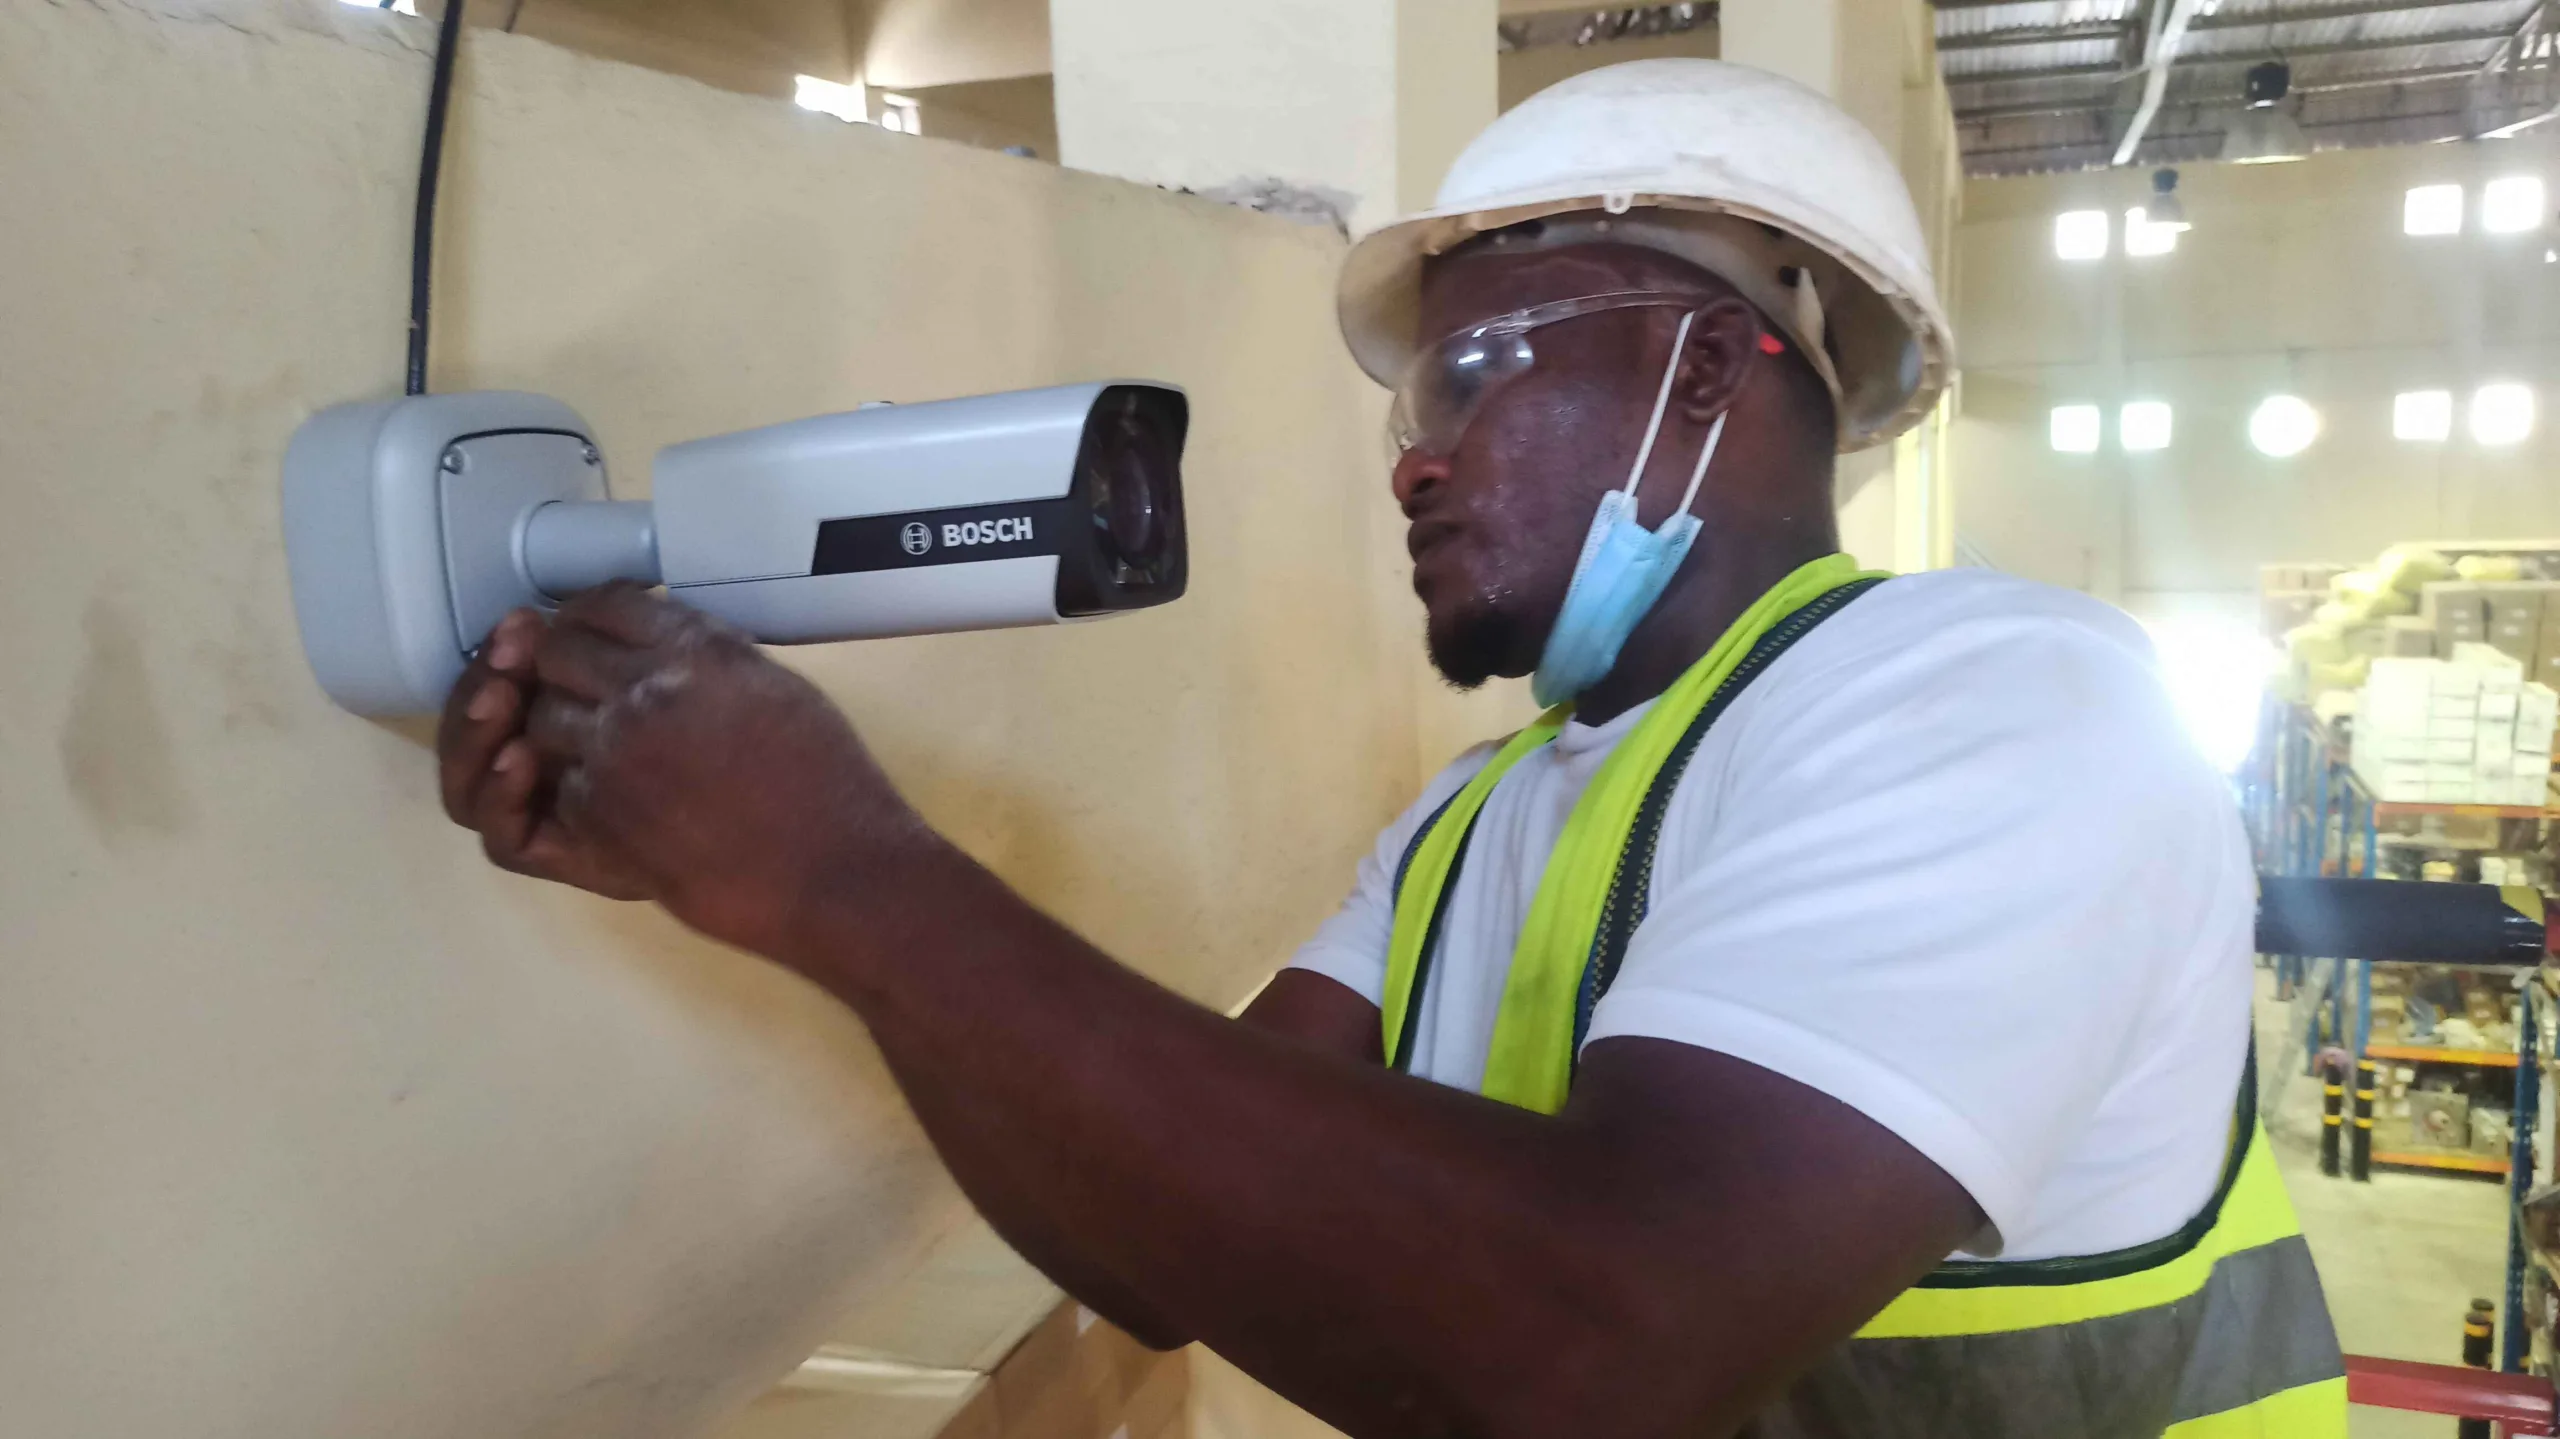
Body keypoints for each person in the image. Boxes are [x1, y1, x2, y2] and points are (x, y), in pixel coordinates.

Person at [436, 60, 2344, 1438]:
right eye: (1411, 406)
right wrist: (772, 890)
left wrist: (844, 870)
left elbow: (1607, 1348)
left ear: (1711, 366)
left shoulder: (2001, 700)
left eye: (1476, 373)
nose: (1417, 458)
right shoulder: (1463, 824)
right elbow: (1149, 1249)